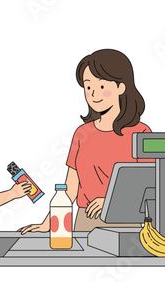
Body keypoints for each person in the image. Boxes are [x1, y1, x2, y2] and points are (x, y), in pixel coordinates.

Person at [19, 49, 154, 233]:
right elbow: (69, 190)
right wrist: (48, 224)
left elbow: (149, 185)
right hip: (86, 221)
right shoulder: (82, 133)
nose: (93, 94)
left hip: (126, 221)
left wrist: (110, 201)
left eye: (101, 86)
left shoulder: (141, 132)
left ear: (121, 87)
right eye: (88, 87)